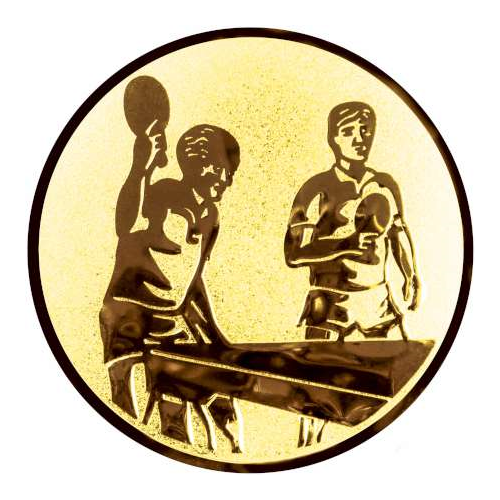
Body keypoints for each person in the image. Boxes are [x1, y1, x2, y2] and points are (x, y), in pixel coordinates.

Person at [284, 102, 420, 447]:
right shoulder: (316, 189)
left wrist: (411, 274)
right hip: (329, 306)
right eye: (349, 132)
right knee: (314, 394)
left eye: (365, 131)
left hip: (378, 305)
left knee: (400, 384)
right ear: (333, 138)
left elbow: (398, 232)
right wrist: (343, 245)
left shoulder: (385, 184)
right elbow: (293, 253)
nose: (359, 138)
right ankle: (305, 452)